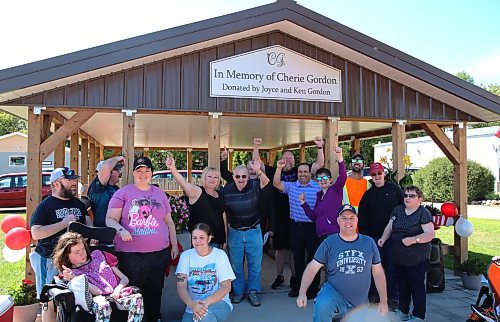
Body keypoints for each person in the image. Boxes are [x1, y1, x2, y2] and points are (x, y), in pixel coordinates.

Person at [106, 156, 178, 322]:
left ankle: (154, 318)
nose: (143, 174)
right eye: (139, 170)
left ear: (152, 173)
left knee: (155, 290)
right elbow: (110, 219)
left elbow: (169, 221)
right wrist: (120, 229)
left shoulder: (159, 193)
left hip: (159, 254)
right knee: (132, 292)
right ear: (133, 173)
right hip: (131, 255)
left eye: (147, 170)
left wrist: (174, 244)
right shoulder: (122, 193)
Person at [253, 137, 324, 293]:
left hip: (306, 221)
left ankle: (303, 283)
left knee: (303, 255)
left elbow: (319, 165)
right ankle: (285, 279)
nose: (288, 160)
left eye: (290, 158)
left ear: (294, 160)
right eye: (285, 158)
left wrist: (320, 148)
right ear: (281, 159)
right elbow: (257, 164)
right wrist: (256, 146)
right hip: (281, 217)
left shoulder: (304, 175)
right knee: (283, 250)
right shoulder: (280, 175)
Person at [296, 204, 389, 322]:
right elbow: (312, 268)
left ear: (357, 220)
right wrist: (302, 292)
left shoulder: (368, 242)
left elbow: (378, 272)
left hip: (359, 301)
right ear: (338, 221)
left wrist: (383, 300)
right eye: (344, 218)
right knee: (322, 305)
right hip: (335, 292)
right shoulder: (329, 243)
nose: (348, 221)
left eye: (351, 218)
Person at [29, 167, 92, 322]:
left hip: (75, 262)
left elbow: (88, 223)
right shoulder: (45, 205)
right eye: (69, 180)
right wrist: (64, 223)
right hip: (49, 259)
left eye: (74, 180)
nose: (73, 183)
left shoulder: (78, 203)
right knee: (49, 300)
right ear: (56, 183)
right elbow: (36, 233)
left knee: (71, 300)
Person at [52, 231, 144, 322]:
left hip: (117, 294)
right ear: (67, 256)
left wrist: (117, 290)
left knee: (137, 298)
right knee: (103, 305)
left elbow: (124, 279)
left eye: (83, 249)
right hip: (97, 301)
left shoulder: (99, 256)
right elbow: (98, 291)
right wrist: (75, 278)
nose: (82, 253)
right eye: (76, 252)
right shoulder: (71, 274)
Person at [378, 186, 435, 321]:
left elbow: (430, 234)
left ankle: (419, 316)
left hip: (417, 258)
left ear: (420, 199)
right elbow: (389, 226)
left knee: (417, 287)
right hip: (399, 257)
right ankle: (403, 312)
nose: (407, 198)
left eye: (412, 196)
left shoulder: (423, 213)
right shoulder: (398, 210)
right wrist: (383, 238)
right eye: (406, 195)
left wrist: (413, 240)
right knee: (403, 286)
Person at [222, 159, 271, 307]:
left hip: (253, 231)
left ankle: (254, 292)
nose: (241, 179)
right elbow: (222, 213)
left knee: (254, 265)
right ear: (233, 177)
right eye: (238, 176)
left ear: (248, 177)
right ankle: (238, 292)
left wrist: (259, 171)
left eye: (244, 176)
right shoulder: (226, 190)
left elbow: (267, 183)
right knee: (236, 266)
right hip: (235, 233)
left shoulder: (255, 185)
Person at [358, 162, 403, 308]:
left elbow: (403, 208)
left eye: (379, 173)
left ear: (383, 173)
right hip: (374, 237)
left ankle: (393, 296)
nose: (377, 176)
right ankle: (374, 294)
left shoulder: (394, 189)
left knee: (391, 267)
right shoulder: (368, 195)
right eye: (373, 174)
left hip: (393, 237)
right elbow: (362, 217)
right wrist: (366, 237)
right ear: (370, 177)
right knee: (375, 268)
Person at [273, 159, 321, 299]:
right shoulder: (292, 186)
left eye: (305, 171)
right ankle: (298, 288)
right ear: (297, 174)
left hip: (312, 228)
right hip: (296, 226)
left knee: (313, 259)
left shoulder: (318, 187)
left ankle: (312, 289)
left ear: (310, 173)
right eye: (300, 172)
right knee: (297, 260)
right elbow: (276, 183)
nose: (303, 174)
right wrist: (278, 168)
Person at [176, 223, 235, 322]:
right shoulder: (185, 256)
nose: (197, 241)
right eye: (194, 238)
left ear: (209, 238)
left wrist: (206, 302)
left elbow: (226, 286)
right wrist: (192, 304)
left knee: (204, 317)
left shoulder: (220, 255)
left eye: (201, 237)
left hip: (218, 302)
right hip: (193, 306)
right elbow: (181, 286)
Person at [166, 156, 226, 248]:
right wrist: (172, 168)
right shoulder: (198, 192)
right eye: (209, 176)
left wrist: (224, 238)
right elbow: (183, 183)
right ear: (204, 178)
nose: (212, 179)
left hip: (217, 242)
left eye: (216, 177)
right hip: (199, 242)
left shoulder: (219, 194)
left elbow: (223, 217)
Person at [299, 146, 347, 239]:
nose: (322, 180)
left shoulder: (335, 190)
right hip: (321, 235)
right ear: (317, 181)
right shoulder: (319, 196)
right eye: (319, 179)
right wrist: (303, 203)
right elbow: (314, 217)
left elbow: (343, 177)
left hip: (333, 233)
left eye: (324, 178)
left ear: (330, 180)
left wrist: (340, 157)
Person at [89, 156, 124, 227]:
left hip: (116, 231)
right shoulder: (98, 187)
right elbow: (106, 167)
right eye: (117, 170)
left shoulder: (116, 188)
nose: (119, 173)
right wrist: (119, 158)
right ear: (109, 172)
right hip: (103, 232)